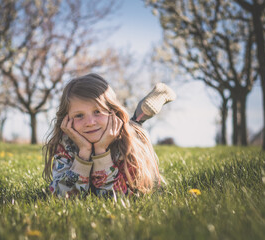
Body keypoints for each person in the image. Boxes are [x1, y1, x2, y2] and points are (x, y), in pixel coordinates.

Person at [43, 73, 176, 198]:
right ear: (66, 120)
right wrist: (84, 153)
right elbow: (62, 196)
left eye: (97, 111)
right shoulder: (66, 143)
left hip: (127, 132)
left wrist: (101, 153)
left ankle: (149, 105)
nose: (90, 123)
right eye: (79, 115)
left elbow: (120, 197)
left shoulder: (129, 144)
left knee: (134, 125)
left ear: (113, 112)